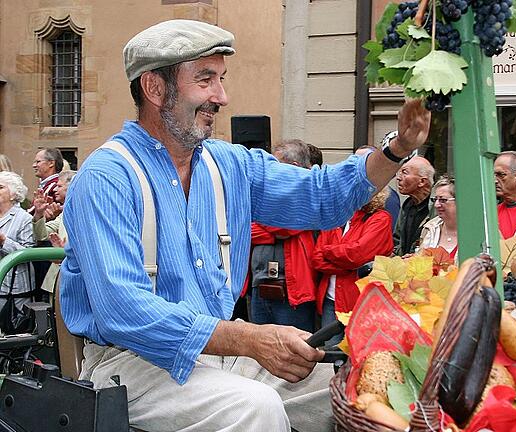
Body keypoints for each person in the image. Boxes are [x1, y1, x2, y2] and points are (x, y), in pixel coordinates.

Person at [59, 19, 430, 432]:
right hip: (129, 363)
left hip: (219, 351)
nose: (222, 96)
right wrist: (251, 339)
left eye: (221, 79)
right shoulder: (107, 176)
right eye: (206, 79)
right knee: (255, 407)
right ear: (154, 88)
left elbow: (320, 197)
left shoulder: (229, 163)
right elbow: (124, 311)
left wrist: (397, 148)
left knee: (352, 386)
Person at [249, 140, 317, 333]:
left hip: (291, 290)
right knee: (260, 352)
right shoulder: (267, 192)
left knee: (294, 351)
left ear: (294, 167)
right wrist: (271, 232)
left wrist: (262, 223)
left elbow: (287, 227)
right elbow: (244, 229)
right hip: (259, 286)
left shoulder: (309, 193)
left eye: (275, 164)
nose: (269, 171)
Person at [313, 187, 394, 345]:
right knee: (331, 356)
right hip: (330, 300)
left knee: (356, 357)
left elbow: (357, 254)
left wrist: (328, 251)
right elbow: (317, 258)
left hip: (359, 302)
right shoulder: (338, 218)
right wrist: (348, 266)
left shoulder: (380, 218)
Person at [0, 172, 35, 331]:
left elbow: (29, 252)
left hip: (15, 287)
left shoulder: (23, 218)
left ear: (14, 194)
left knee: (14, 330)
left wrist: (3, 241)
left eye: (1, 187)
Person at [32, 170, 75, 298]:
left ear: (72, 186)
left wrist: (66, 252)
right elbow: (42, 235)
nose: (55, 189)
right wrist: (39, 214)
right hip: (55, 282)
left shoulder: (88, 212)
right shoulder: (63, 214)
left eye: (59, 186)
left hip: (75, 282)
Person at [394, 156, 435, 254]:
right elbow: (396, 240)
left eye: (404, 172)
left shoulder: (437, 206)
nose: (398, 178)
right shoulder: (407, 205)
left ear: (422, 182)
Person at [355, 144, 400, 232]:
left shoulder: (387, 196)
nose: (357, 166)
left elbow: (389, 232)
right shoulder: (356, 192)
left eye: (362, 161)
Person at [418, 175, 458, 261]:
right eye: (435, 199)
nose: (436, 205)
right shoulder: (429, 228)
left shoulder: (473, 232)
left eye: (443, 200)